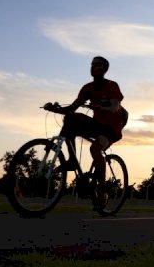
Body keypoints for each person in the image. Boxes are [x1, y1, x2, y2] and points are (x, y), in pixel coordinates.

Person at [44, 56, 126, 209]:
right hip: (97, 125)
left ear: (105, 69)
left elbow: (115, 106)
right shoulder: (87, 88)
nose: (94, 67)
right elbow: (72, 108)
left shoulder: (111, 85)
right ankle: (71, 161)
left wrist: (102, 107)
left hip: (112, 128)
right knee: (71, 119)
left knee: (95, 149)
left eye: (98, 65)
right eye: (92, 64)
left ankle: (102, 192)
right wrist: (55, 109)